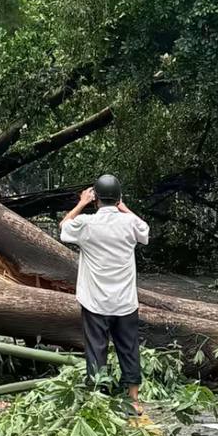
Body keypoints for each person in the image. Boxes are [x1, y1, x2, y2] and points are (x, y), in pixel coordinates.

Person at [60, 174, 150, 413]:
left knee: (96, 349)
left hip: (95, 300)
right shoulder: (129, 223)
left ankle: (99, 400)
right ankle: (133, 400)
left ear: (96, 199)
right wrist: (124, 207)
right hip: (124, 300)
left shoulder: (87, 223)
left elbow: (63, 228)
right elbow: (145, 230)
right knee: (129, 347)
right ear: (118, 198)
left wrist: (81, 203)